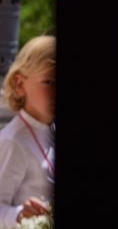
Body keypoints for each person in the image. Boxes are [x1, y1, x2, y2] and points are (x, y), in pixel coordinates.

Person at [0, 35, 55, 228]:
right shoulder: (13, 142)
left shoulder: (49, 128)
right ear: (19, 83)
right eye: (48, 82)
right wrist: (19, 214)